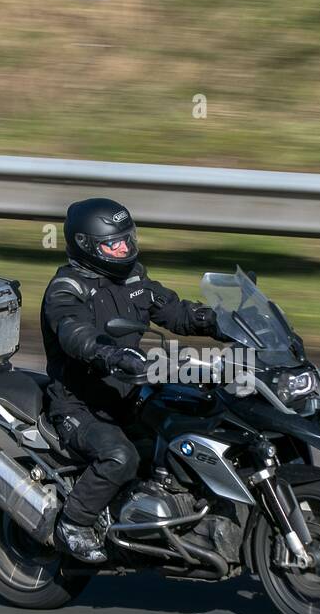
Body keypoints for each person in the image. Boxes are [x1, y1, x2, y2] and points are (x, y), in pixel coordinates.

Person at [40, 197, 219, 563]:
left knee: (196, 424)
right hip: (80, 405)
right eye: (113, 243)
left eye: (127, 238)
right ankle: (73, 523)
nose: (124, 248)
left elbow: (175, 311)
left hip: (130, 393)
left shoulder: (133, 277)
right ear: (88, 246)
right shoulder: (66, 290)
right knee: (120, 456)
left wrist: (222, 322)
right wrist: (110, 354)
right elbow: (77, 335)